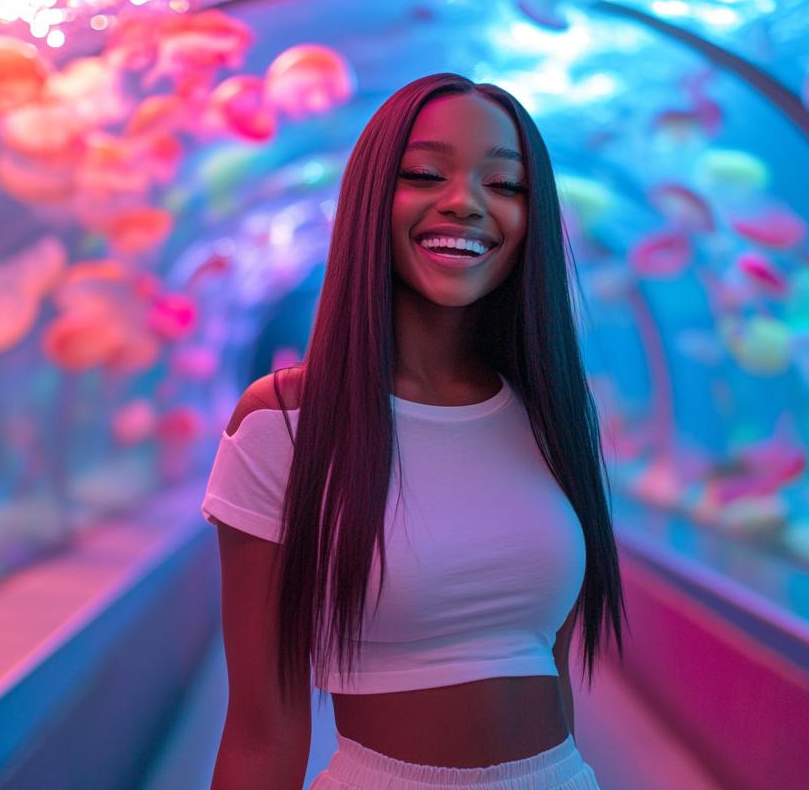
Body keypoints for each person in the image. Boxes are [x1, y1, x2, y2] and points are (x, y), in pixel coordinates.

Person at [203, 73, 624, 790]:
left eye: (507, 184)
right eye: (427, 173)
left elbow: (546, 665)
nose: (465, 203)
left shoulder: (555, 414)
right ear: (371, 198)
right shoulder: (285, 422)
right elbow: (258, 735)